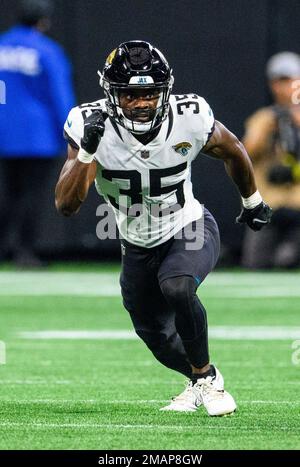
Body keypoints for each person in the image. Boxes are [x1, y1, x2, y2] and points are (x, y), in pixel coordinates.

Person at [55, 41, 272, 416]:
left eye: (150, 93)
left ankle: (206, 380)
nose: (141, 102)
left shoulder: (189, 115)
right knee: (154, 335)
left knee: (178, 284)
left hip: (188, 225)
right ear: (111, 94)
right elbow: (66, 205)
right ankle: (203, 380)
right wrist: (87, 152)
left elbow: (233, 148)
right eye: (130, 94)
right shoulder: (91, 125)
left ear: (165, 90)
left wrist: (252, 201)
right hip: (136, 243)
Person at [0, 0, 75, 266]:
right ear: (43, 21)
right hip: (37, 135)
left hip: (4, 132)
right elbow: (59, 94)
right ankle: (24, 252)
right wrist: (71, 131)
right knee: (31, 194)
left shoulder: (2, 46)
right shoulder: (46, 50)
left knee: (8, 193)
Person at [242, 52, 300, 268]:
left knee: (289, 260)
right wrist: (267, 130)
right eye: (280, 81)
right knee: (256, 263)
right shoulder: (263, 119)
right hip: (269, 205)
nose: (284, 87)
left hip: (298, 203)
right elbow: (245, 156)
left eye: (290, 80)